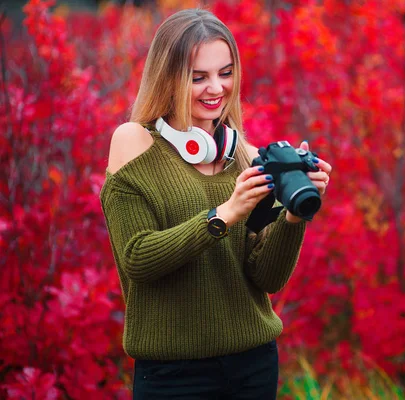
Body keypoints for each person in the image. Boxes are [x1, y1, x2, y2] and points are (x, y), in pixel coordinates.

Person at [99, 8, 332, 400]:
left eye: (225, 73)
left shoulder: (244, 154)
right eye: (198, 77)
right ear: (168, 77)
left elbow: (267, 279)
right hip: (174, 377)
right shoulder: (133, 143)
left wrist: (293, 216)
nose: (216, 88)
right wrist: (225, 214)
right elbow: (137, 259)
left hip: (253, 366)